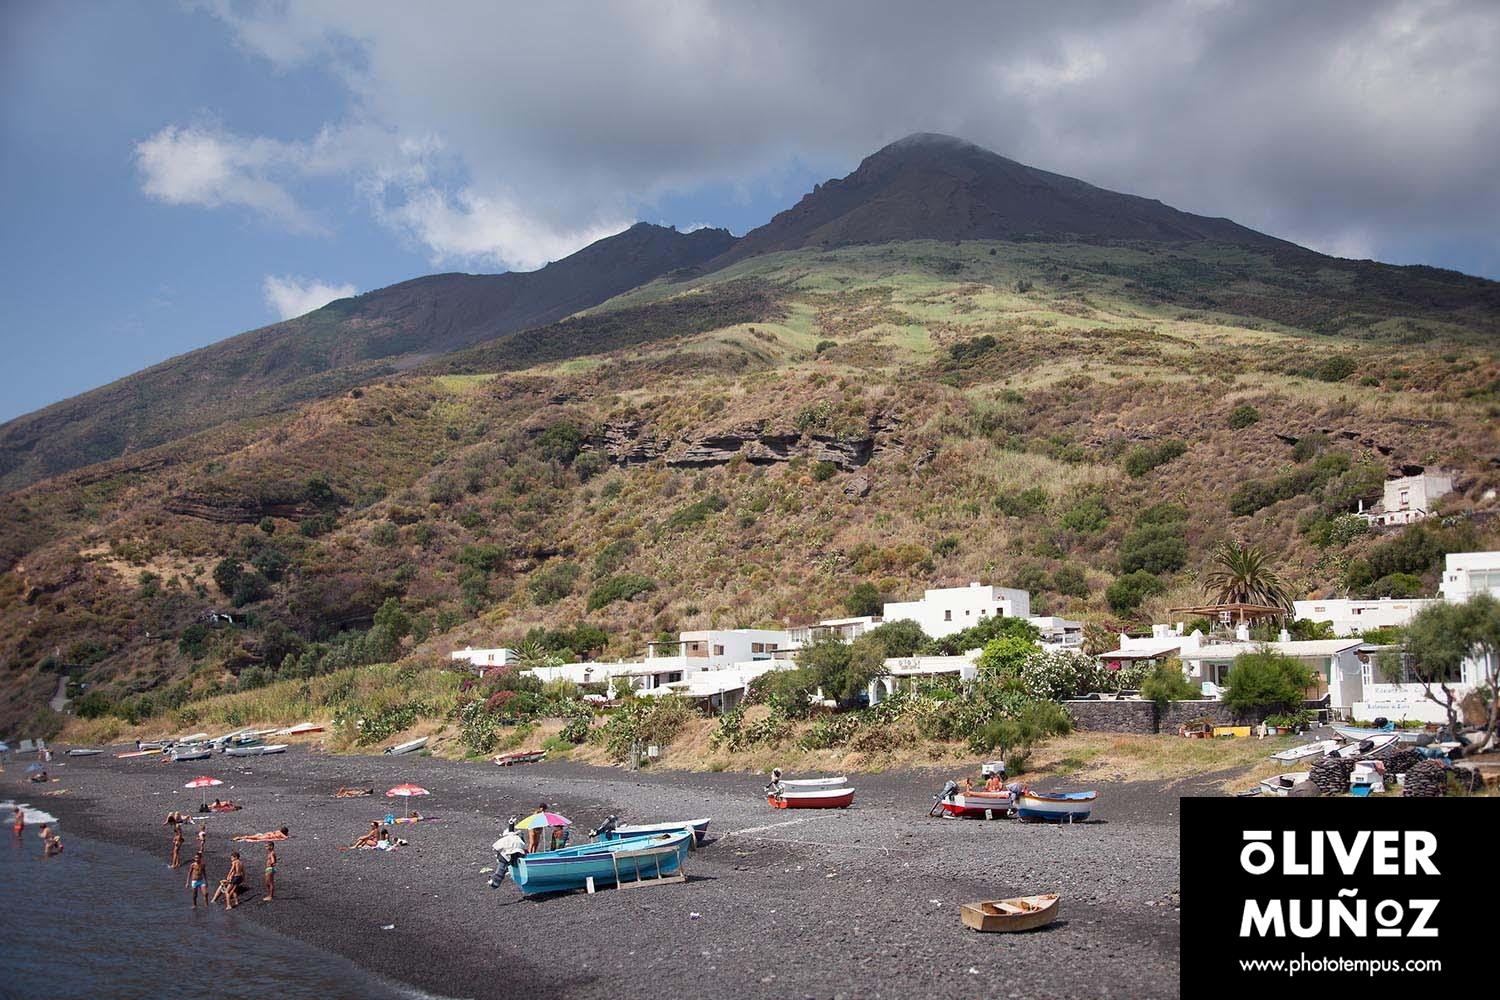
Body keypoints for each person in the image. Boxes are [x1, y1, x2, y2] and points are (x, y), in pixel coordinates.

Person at [489, 818, 526, 888]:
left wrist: (497, 854)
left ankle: (495, 882)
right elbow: (523, 847)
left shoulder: (507, 839)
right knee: (502, 869)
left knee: (501, 869)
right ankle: (495, 882)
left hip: (505, 856)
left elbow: (496, 847)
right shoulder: (518, 840)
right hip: (511, 856)